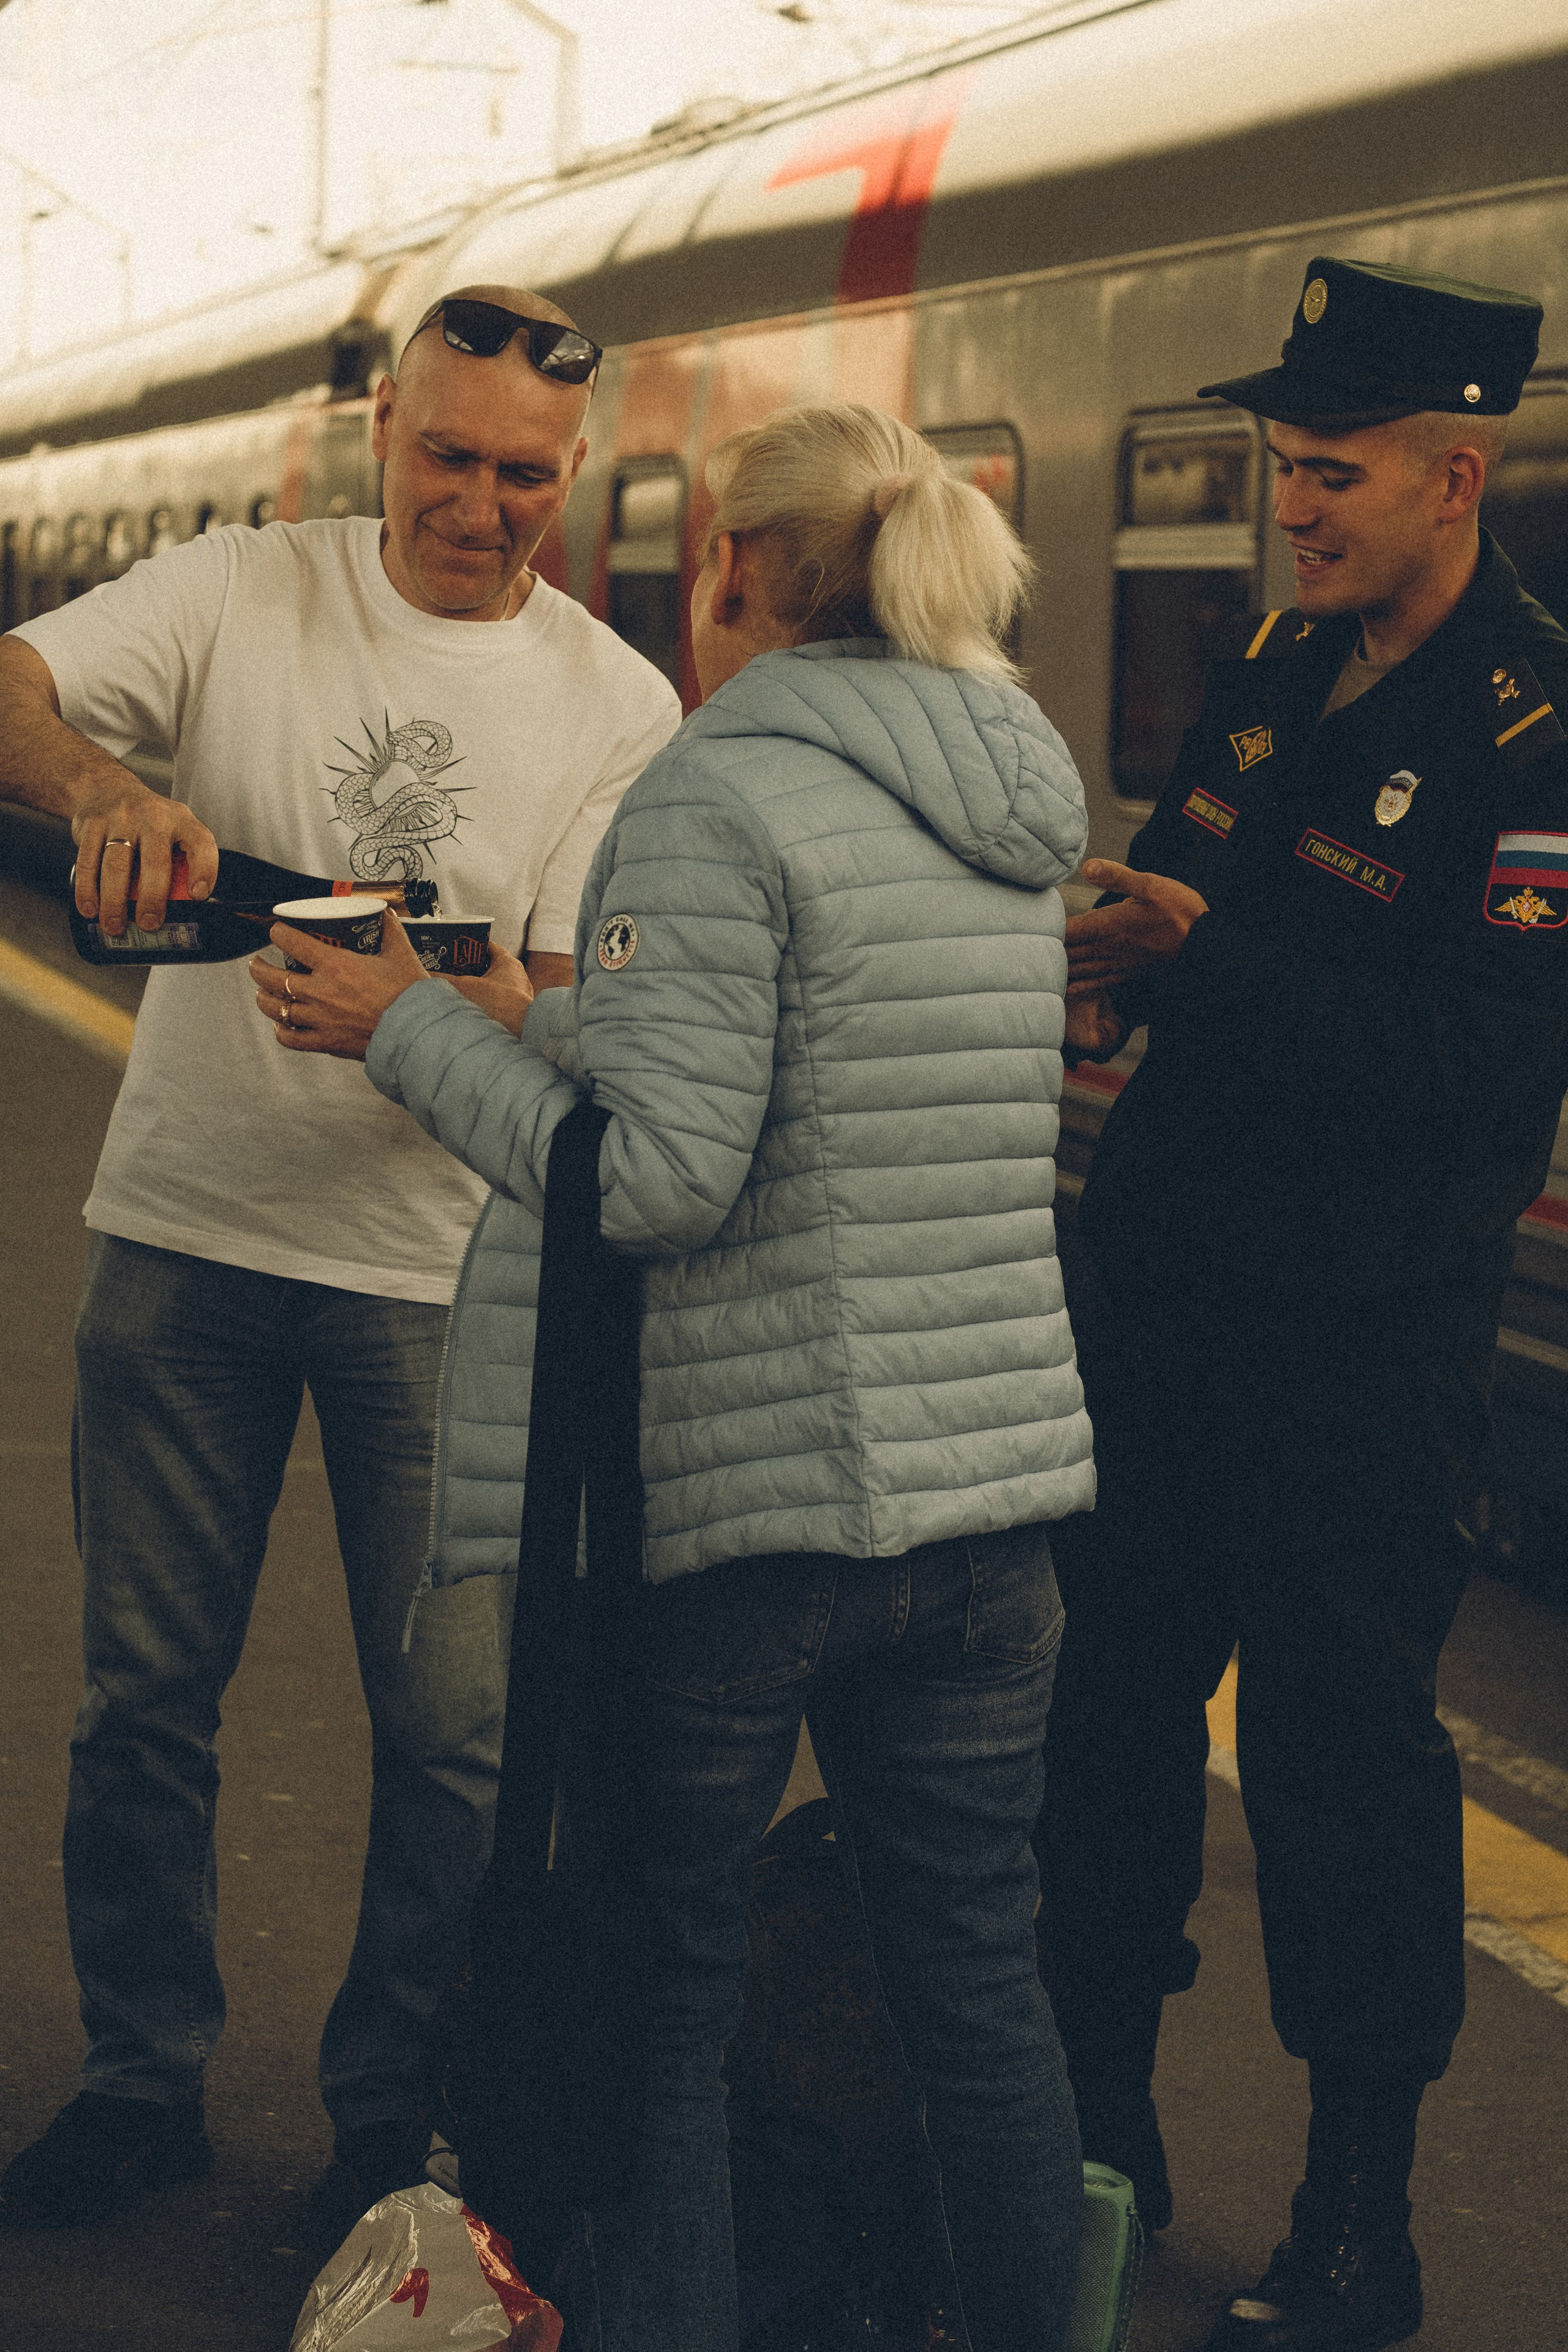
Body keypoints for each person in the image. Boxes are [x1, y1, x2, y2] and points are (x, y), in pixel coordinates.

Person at [249, 402, 1098, 2352]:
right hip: (991, 1523)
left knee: (676, 2000)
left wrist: (403, 1028)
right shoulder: (1016, 788)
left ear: (740, 575)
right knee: (976, 1991)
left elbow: (654, 1178)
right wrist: (564, 1019)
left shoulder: (717, 798)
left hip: (755, 1520)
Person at [0, 284, 680, 2230]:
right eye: (450, 456)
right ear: (381, 427)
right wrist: (108, 789)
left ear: (577, 474)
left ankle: (395, 2115)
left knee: (457, 1738)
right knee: (141, 1695)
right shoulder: (239, 586)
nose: (483, 504)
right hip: (186, 1231)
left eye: (527, 478)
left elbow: (573, 1006)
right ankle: (142, 2080)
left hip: (441, 1270)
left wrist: (418, 1007)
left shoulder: (618, 706)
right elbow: (13, 684)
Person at [1034, 257, 1567, 2352]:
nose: (1290, 507)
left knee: (1348, 1766)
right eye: (1277, 469)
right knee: (1107, 1724)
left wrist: (1200, 961)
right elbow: (1182, 873)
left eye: (1326, 474)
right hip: (1162, 1294)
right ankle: (1098, 2128)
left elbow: (1485, 1067)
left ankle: (1362, 2216)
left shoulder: (1537, 730)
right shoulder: (1273, 667)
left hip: (1363, 1345)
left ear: (1459, 473)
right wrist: (1100, 970)